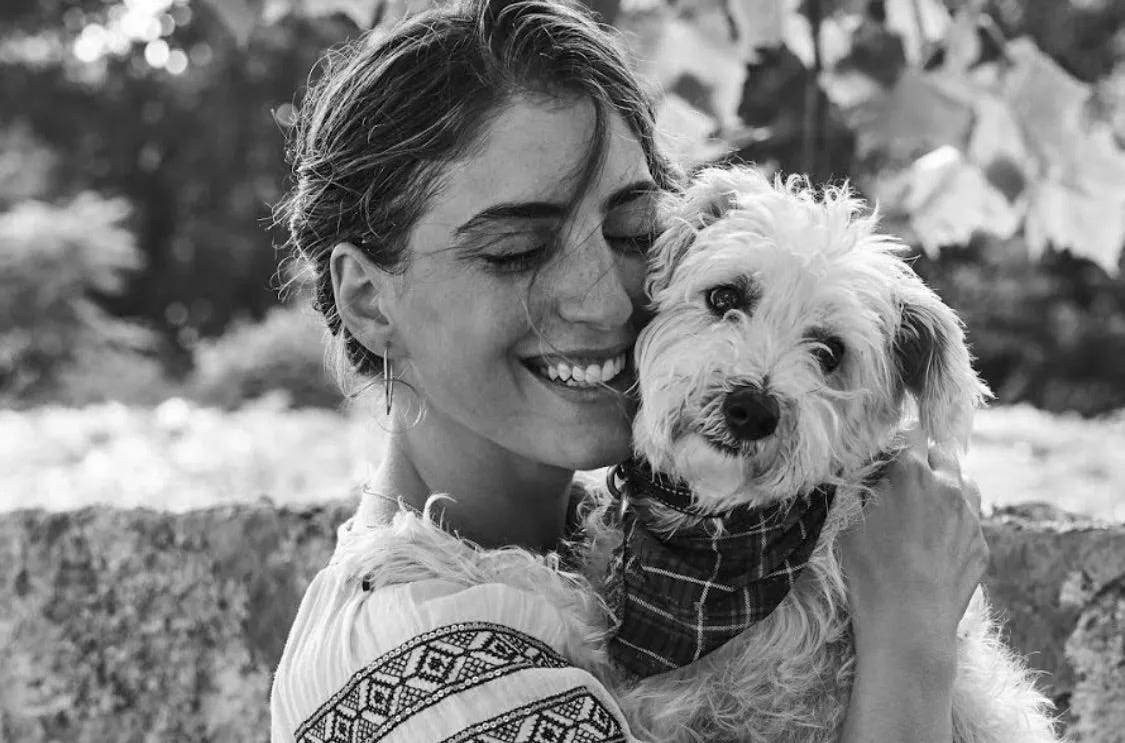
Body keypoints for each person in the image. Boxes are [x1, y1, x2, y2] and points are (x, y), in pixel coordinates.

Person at [269, 1, 989, 741]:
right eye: (516, 250)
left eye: (633, 233)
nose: (607, 301)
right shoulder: (437, 680)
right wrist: (910, 635)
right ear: (368, 299)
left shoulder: (631, 560)